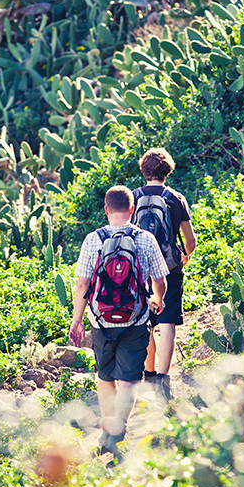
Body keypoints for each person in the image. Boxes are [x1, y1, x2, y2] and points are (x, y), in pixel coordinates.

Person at [69, 185, 169, 459]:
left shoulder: (93, 239)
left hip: (100, 322)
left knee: (105, 377)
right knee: (127, 382)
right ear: (132, 210)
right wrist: (157, 300)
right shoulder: (145, 238)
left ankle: (107, 428)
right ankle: (119, 430)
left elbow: (82, 285)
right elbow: (160, 280)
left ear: (106, 209)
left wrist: (77, 320)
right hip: (136, 320)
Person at [133, 148, 197, 403]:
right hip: (169, 267)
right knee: (168, 321)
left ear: (144, 170)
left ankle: (148, 374)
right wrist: (184, 255)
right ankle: (163, 379)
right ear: (168, 171)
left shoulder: (133, 197)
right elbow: (190, 240)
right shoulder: (176, 198)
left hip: (140, 268)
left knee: (147, 321)